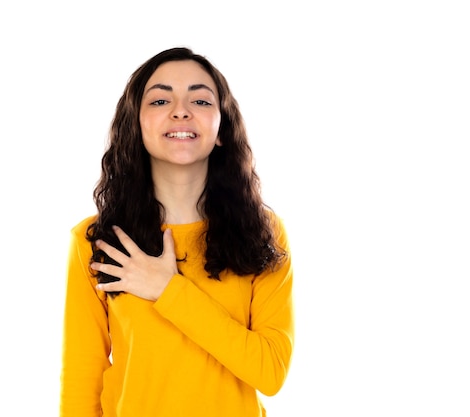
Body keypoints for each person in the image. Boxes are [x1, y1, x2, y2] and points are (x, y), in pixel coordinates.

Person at [59, 46, 294, 417]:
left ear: (221, 130)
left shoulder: (263, 233)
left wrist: (168, 290)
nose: (181, 110)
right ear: (136, 125)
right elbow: (80, 387)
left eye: (200, 100)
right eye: (159, 100)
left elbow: (270, 371)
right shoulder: (96, 240)